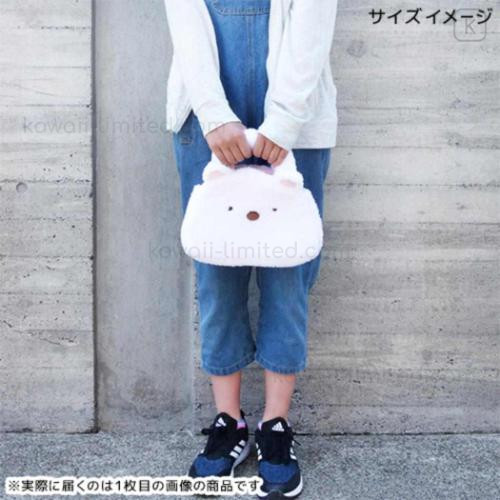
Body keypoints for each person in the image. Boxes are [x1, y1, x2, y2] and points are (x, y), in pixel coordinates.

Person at [164, 1, 338, 497]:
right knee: (216, 270)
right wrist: (214, 115)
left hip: (297, 118)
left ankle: (275, 425)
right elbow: (184, 20)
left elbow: (313, 25)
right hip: (204, 113)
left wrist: (284, 121)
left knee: (290, 272)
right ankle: (229, 421)